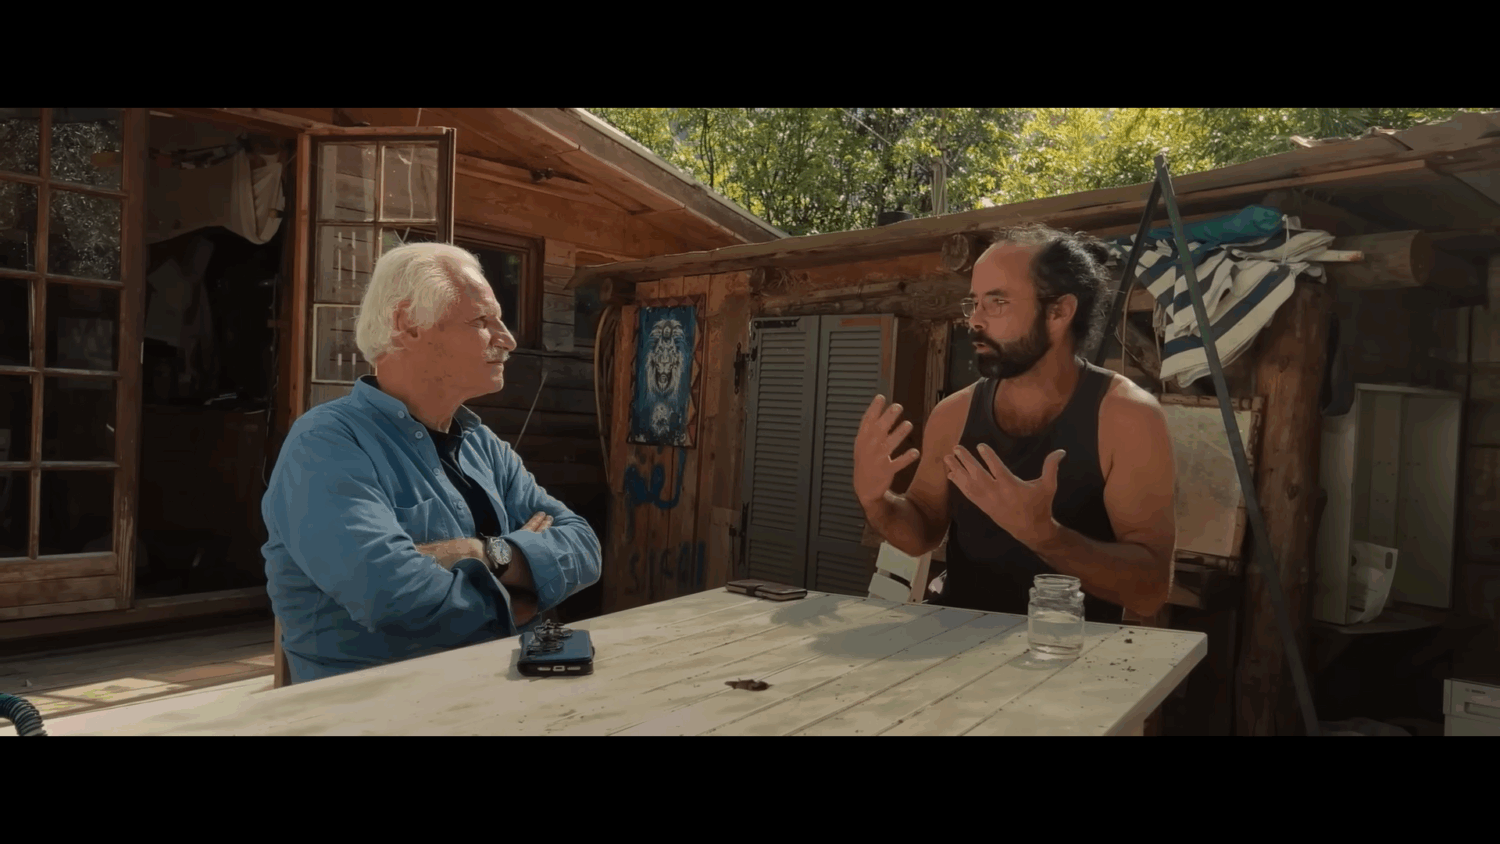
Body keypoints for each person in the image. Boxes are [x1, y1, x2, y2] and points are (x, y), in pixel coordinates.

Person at [261, 242, 602, 684]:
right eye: (482, 321)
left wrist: (485, 553)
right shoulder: (326, 444)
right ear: (408, 324)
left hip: (502, 691)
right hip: (377, 710)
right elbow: (393, 597)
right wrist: (525, 592)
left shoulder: (484, 445)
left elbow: (585, 547)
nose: (508, 339)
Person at [853, 223, 1176, 623]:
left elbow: (1150, 591)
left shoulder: (1128, 418)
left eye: (998, 302)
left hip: (1065, 657)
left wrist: (1046, 535)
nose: (974, 321)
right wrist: (877, 502)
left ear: (1058, 312)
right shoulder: (953, 414)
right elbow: (921, 533)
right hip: (950, 647)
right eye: (974, 303)